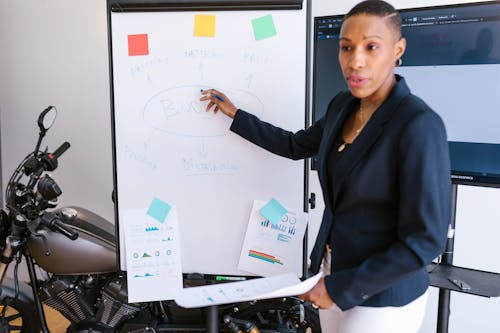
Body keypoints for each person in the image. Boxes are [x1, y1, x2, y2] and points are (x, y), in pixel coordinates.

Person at [200, 1, 451, 332]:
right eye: (346, 48)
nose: (355, 61)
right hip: (332, 275)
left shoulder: (418, 125)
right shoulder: (342, 106)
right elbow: (293, 145)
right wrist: (237, 116)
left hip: (382, 297)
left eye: (371, 47)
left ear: (398, 50)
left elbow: (425, 240)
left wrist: (339, 288)